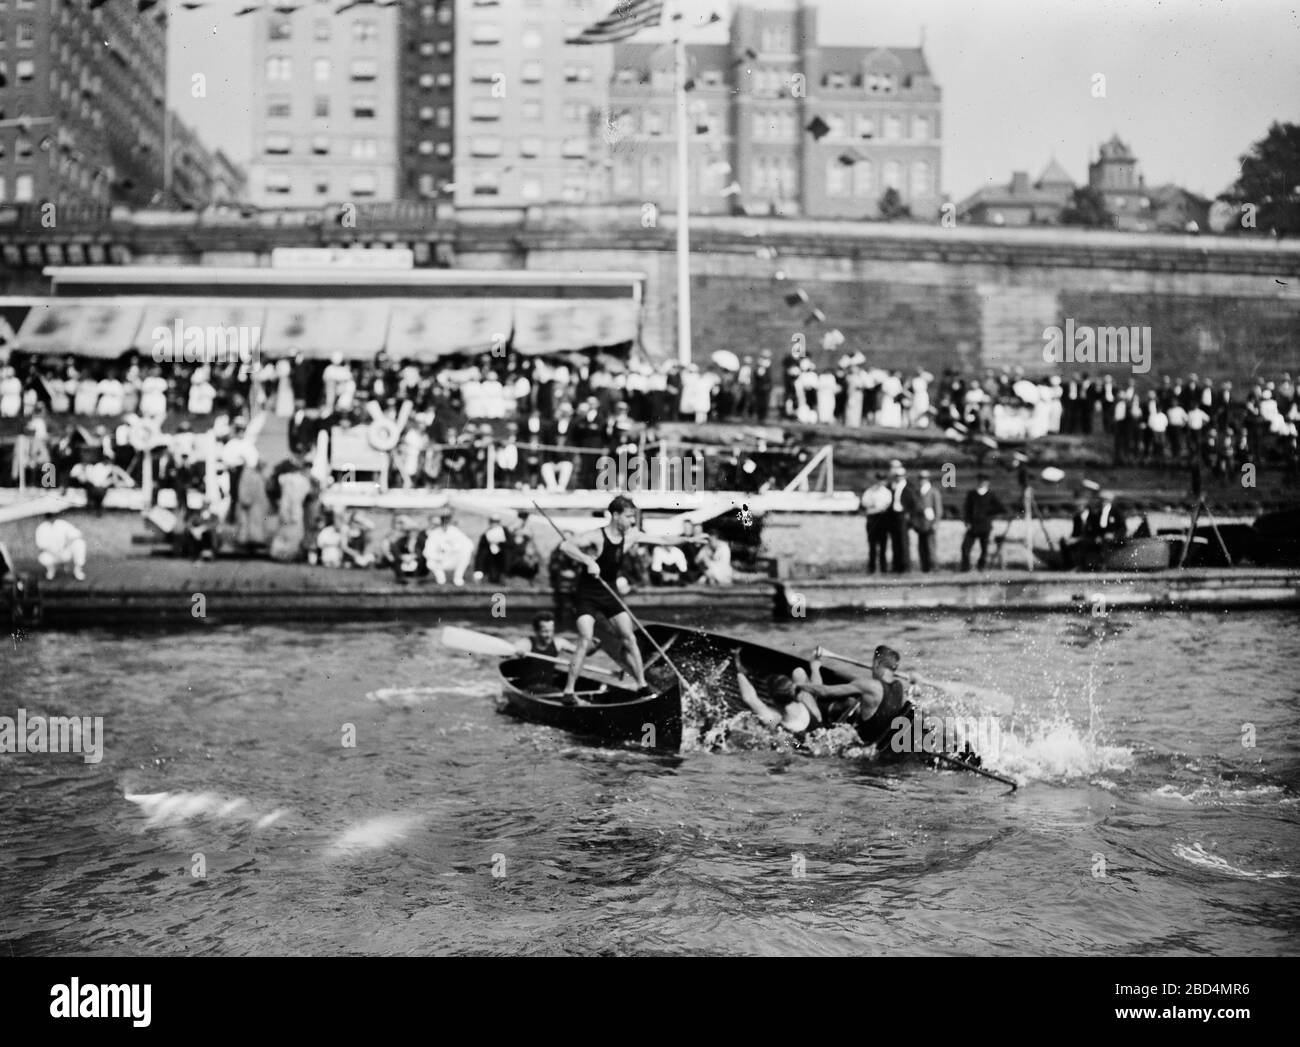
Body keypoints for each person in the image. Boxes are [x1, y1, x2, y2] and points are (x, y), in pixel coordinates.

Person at [557, 495, 691, 704]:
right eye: (629, 517)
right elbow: (566, 547)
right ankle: (568, 691)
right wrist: (587, 560)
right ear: (616, 515)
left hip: (610, 594)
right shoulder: (596, 536)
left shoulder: (631, 536)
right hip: (587, 594)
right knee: (585, 638)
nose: (632, 521)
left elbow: (663, 540)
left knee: (629, 637)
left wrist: (690, 540)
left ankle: (641, 685)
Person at [732, 650, 817, 737]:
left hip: (790, 741)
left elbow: (749, 698)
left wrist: (738, 668)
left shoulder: (772, 720)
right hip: (817, 731)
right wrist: (815, 668)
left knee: (750, 723)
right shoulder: (806, 699)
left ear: (770, 698)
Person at [513, 612, 579, 691]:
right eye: (545, 631)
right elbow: (507, 655)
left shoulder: (558, 643)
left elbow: (581, 652)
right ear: (536, 631)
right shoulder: (526, 643)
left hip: (548, 688)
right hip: (528, 689)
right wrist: (517, 652)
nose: (549, 635)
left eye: (551, 631)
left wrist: (594, 645)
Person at [960, 474, 1005, 572]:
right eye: (980, 481)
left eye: (984, 481)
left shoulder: (990, 495)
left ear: (987, 483)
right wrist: (967, 521)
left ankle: (981, 566)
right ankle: (965, 567)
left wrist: (989, 512)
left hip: (985, 525)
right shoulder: (972, 494)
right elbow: (967, 509)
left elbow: (1001, 508)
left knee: (984, 549)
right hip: (973, 525)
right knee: (965, 547)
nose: (982, 483)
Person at [35, 513, 87, 581]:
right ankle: (51, 570)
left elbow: (77, 534)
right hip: (52, 554)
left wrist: (69, 541)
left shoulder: (62, 524)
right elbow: (41, 545)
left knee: (80, 543)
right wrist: (54, 552)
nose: (52, 518)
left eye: (53, 516)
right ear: (45, 517)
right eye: (49, 516)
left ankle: (78, 570)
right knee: (44, 558)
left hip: (65, 552)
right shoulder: (41, 528)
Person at [885, 462, 916, 573]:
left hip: (903, 515)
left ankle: (905, 566)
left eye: (900, 476)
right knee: (895, 542)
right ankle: (896, 566)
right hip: (894, 516)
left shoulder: (908, 487)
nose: (898, 478)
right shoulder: (892, 486)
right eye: (897, 476)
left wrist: (909, 515)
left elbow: (913, 503)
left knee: (903, 542)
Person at [911, 469, 943, 573]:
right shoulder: (917, 491)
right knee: (922, 547)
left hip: (930, 523)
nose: (921, 480)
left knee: (931, 546)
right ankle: (925, 568)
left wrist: (936, 523)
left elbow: (938, 509)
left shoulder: (933, 491)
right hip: (921, 523)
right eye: (920, 478)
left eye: (924, 478)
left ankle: (934, 567)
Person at [860, 472, 892, 573]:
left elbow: (886, 504)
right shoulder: (870, 491)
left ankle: (883, 567)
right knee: (872, 545)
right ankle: (872, 567)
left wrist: (876, 505)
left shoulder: (886, 492)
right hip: (872, 518)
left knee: (883, 545)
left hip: (882, 518)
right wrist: (874, 504)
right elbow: (865, 502)